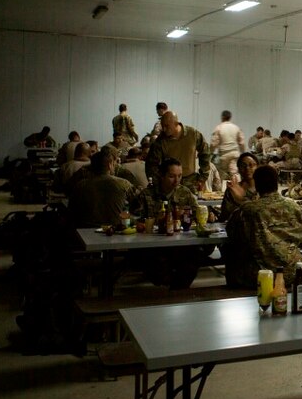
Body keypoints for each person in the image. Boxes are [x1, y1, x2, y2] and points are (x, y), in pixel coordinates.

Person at [222, 165, 302, 289]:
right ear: (276, 183)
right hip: (294, 273)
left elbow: (232, 234)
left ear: (257, 184)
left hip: (259, 276)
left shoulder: (248, 210)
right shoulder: (295, 207)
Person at [130, 158, 205, 289]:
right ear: (161, 175)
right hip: (153, 245)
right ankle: (171, 290)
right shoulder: (147, 194)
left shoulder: (184, 192)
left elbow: (197, 213)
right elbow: (133, 219)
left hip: (179, 243)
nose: (177, 180)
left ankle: (176, 292)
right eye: (171, 176)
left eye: (180, 176)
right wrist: (141, 223)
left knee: (195, 255)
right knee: (156, 262)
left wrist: (204, 216)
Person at [68, 148, 134, 228]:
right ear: (110, 165)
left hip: (84, 230)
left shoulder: (80, 185)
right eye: (114, 163)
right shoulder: (124, 184)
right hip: (113, 230)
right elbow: (137, 205)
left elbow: (71, 211)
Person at [145, 111, 210, 189]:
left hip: (190, 182)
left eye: (167, 126)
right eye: (163, 126)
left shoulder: (193, 134)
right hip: (169, 184)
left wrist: (202, 178)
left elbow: (205, 152)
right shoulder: (160, 141)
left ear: (176, 124)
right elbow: (151, 165)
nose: (164, 129)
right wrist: (157, 184)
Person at [218, 152, 259, 222]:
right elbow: (225, 215)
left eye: (251, 165)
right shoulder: (232, 190)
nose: (247, 168)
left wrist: (241, 200)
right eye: (243, 165)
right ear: (238, 168)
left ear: (257, 167)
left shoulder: (264, 189)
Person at [211, 110, 246, 181]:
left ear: (222, 117)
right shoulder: (236, 128)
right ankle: (237, 188)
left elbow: (214, 143)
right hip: (235, 154)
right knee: (234, 173)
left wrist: (210, 152)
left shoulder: (219, 128)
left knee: (221, 174)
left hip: (224, 155)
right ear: (230, 117)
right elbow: (242, 142)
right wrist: (243, 153)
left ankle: (222, 190)